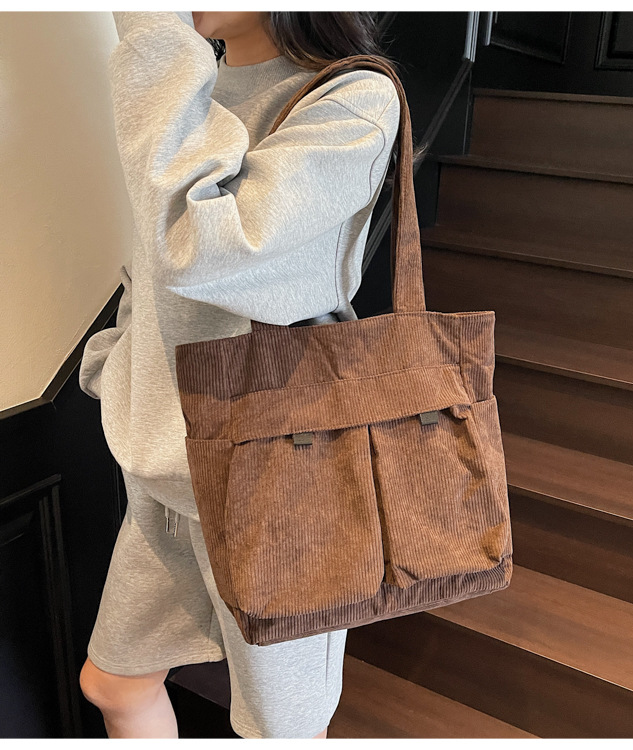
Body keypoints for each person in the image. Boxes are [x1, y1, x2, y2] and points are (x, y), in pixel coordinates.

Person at [77, 10, 407, 739]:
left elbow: (204, 249)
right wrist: (118, 366)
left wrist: (157, 40)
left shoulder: (351, 99)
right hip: (165, 473)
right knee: (113, 684)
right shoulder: (197, 86)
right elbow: (152, 263)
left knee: (280, 730)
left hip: (276, 483)